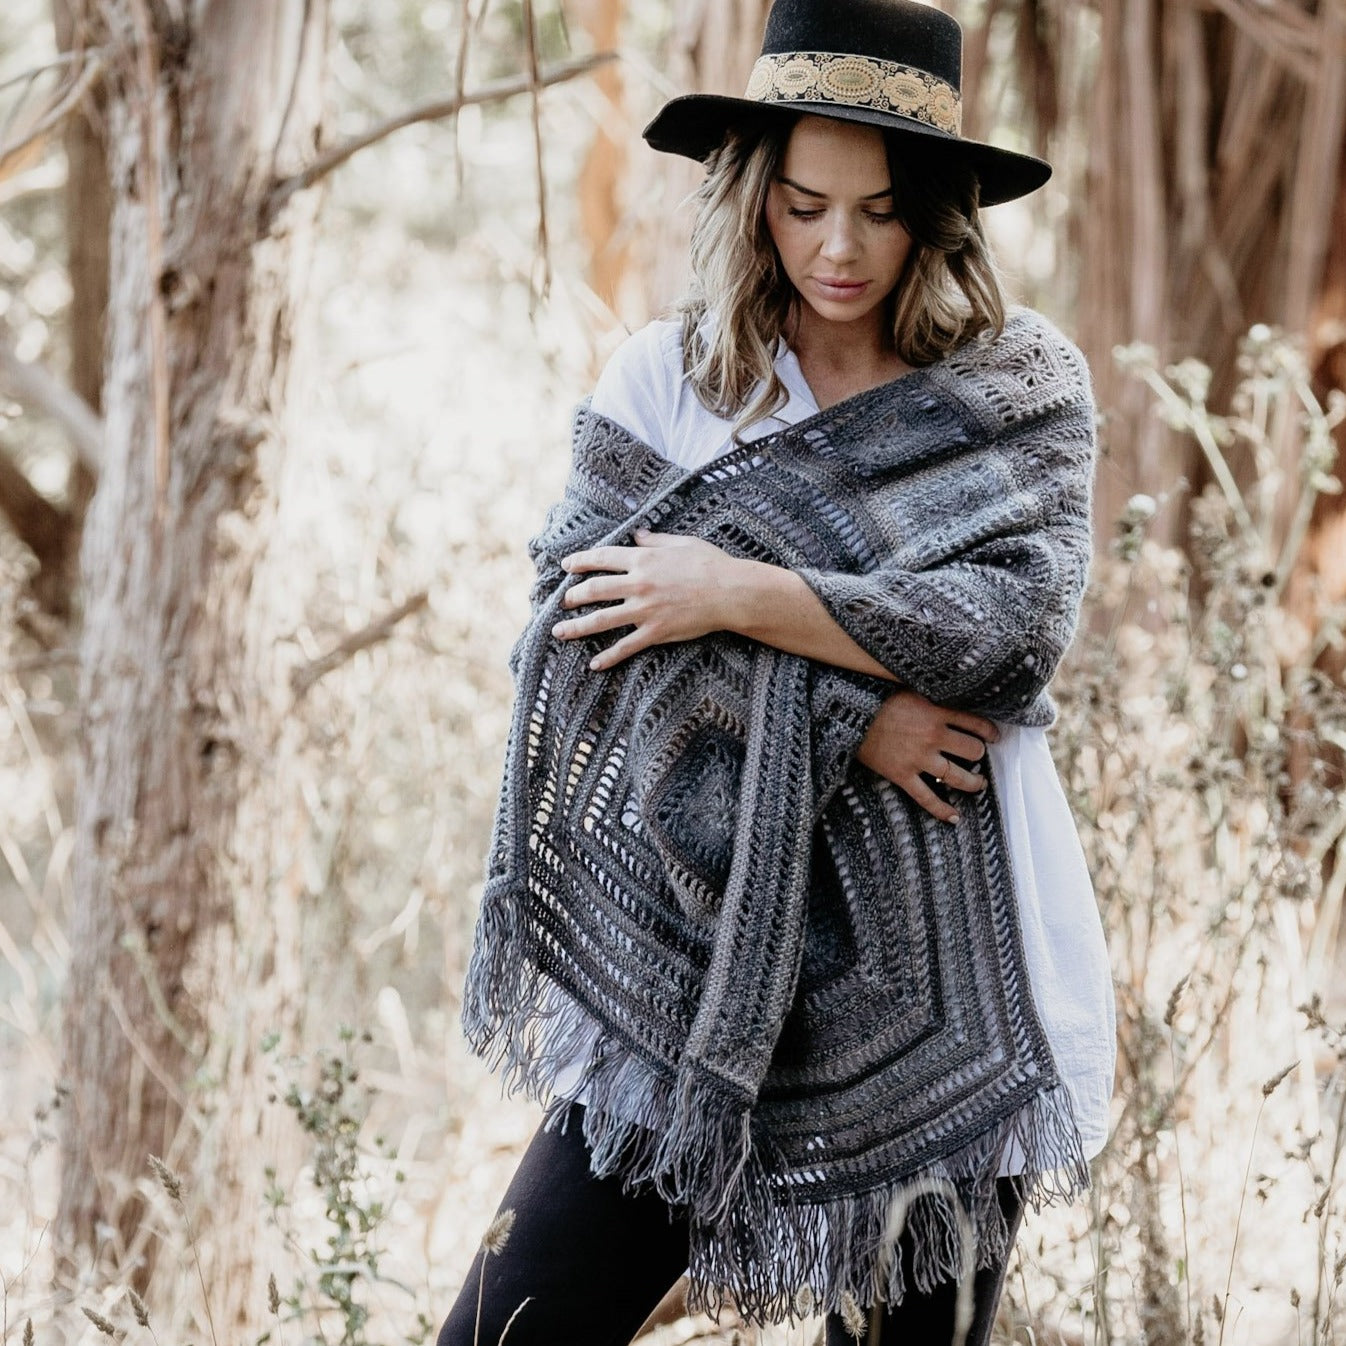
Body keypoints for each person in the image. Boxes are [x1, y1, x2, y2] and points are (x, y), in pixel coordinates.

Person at [441, 2, 1116, 1344]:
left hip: (952, 992)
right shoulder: (673, 383)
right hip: (685, 975)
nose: (836, 248)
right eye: (803, 206)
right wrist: (858, 713)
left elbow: (1012, 631)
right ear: (754, 197)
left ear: (936, 217)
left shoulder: (1016, 392)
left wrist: (732, 591)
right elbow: (578, 650)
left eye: (878, 212)